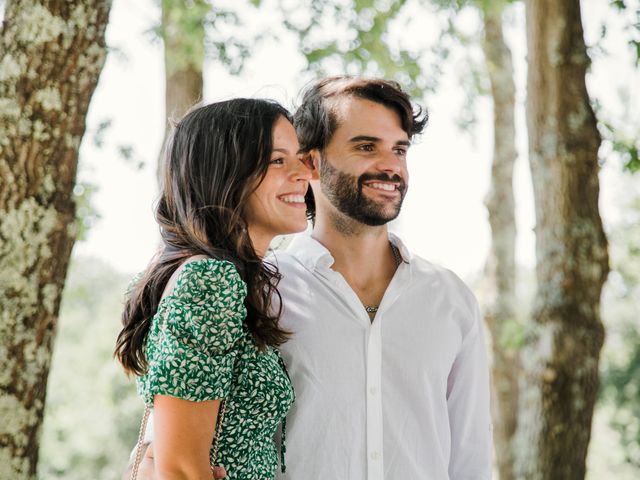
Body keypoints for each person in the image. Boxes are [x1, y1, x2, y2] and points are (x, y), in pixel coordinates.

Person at [129, 77, 492, 479]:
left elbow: (471, 457)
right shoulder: (249, 288)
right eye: (366, 146)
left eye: (400, 149)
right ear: (316, 160)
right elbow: (176, 455)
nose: (390, 165)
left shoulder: (451, 300)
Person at [114, 98, 312, 480]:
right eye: (277, 160)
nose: (302, 173)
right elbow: (181, 470)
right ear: (224, 173)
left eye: (301, 157)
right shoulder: (210, 282)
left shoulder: (228, 280)